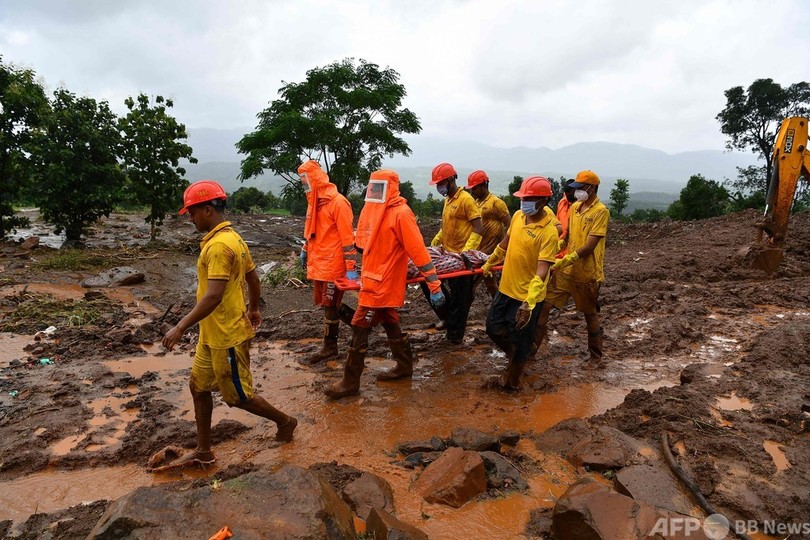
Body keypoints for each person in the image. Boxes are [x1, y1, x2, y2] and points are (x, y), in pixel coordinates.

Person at [159, 180, 297, 470]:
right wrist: (254, 308)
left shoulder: (220, 246)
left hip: (227, 335)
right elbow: (254, 278)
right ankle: (204, 450)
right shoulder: (232, 237)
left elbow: (213, 295)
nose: (191, 219)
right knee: (198, 387)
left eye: (193, 213)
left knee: (238, 397)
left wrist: (181, 326)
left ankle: (285, 422)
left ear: (208, 209)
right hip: (210, 334)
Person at [324, 169, 445, 399]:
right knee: (390, 321)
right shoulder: (372, 210)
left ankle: (350, 381)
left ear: (390, 188)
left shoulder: (401, 214)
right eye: (373, 187)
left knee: (360, 326)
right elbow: (362, 243)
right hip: (371, 279)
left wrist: (434, 284)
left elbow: (418, 251)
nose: (375, 192)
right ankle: (404, 365)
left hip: (384, 283)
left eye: (379, 187)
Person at [480, 176, 560, 391]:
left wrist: (530, 302)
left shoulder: (549, 231)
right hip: (506, 288)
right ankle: (516, 356)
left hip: (527, 297)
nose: (524, 202)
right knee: (493, 328)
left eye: (530, 198)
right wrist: (491, 260)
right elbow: (506, 242)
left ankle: (513, 382)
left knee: (522, 341)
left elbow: (543, 270)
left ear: (543, 201)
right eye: (523, 197)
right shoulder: (517, 216)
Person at [536, 170, 610, 366]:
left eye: (580, 188)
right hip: (566, 271)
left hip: (586, 272)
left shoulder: (600, 211)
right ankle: (530, 352)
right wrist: (556, 249)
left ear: (591, 188)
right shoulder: (575, 208)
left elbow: (590, 245)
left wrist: (565, 260)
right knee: (544, 306)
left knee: (589, 313)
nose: (576, 193)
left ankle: (596, 357)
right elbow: (568, 236)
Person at [297, 160, 357, 364]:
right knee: (328, 305)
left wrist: (350, 268)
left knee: (331, 305)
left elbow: (348, 239)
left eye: (306, 180)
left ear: (315, 179)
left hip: (333, 265)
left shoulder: (338, 203)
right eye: (302, 181)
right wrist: (305, 249)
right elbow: (313, 232)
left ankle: (330, 347)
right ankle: (361, 325)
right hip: (320, 263)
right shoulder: (314, 204)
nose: (305, 185)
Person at [423, 162, 483, 344]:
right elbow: (448, 224)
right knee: (430, 283)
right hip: (447, 255)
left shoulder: (466, 200)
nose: (439, 187)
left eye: (441, 183)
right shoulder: (448, 200)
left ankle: (455, 337)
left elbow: (478, 228)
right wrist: (437, 240)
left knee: (460, 298)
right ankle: (448, 317)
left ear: (450, 180)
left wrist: (467, 252)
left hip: (461, 258)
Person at [466, 170, 511, 296]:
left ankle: (498, 310)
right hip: (478, 251)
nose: (472, 191)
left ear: (483, 185)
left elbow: (510, 226)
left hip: (492, 252)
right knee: (474, 284)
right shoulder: (475, 204)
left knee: (490, 283)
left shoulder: (497, 203)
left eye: (474, 188)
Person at [555, 178, 576, 257]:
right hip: (560, 245)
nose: (569, 195)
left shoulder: (581, 206)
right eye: (567, 193)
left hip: (572, 249)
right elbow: (557, 221)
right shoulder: (562, 203)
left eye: (571, 193)